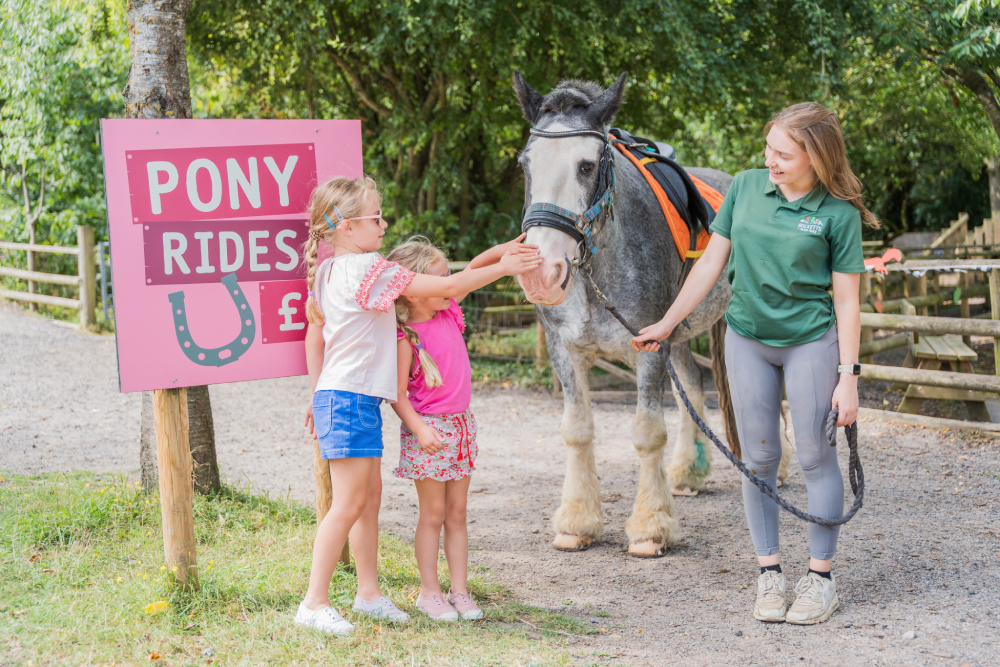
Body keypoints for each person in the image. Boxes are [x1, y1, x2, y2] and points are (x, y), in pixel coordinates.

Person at [632, 102, 878, 625]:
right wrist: (667, 322)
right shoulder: (744, 189)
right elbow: (708, 268)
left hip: (811, 340)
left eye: (784, 154)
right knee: (758, 457)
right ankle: (769, 574)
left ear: (817, 157)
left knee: (814, 457)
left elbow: (848, 302)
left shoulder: (837, 213)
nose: (770, 161)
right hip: (746, 338)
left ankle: (820, 580)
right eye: (768, 148)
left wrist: (849, 378)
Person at [294, 176, 541, 636]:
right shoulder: (366, 268)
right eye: (375, 217)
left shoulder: (331, 269)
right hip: (348, 399)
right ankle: (314, 602)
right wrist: (504, 266)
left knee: (368, 501)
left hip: (354, 398)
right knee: (349, 503)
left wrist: (316, 392)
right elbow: (457, 283)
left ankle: (368, 594)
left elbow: (321, 334)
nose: (384, 224)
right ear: (347, 226)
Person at [386, 236, 526, 621]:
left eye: (450, 276)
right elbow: (397, 394)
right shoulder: (404, 338)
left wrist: (503, 249)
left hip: (462, 428)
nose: (451, 284)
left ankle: (460, 591)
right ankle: (429, 592)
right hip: (429, 432)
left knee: (458, 512)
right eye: (441, 279)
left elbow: (473, 269)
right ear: (414, 292)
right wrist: (419, 430)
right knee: (432, 513)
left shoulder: (447, 312)